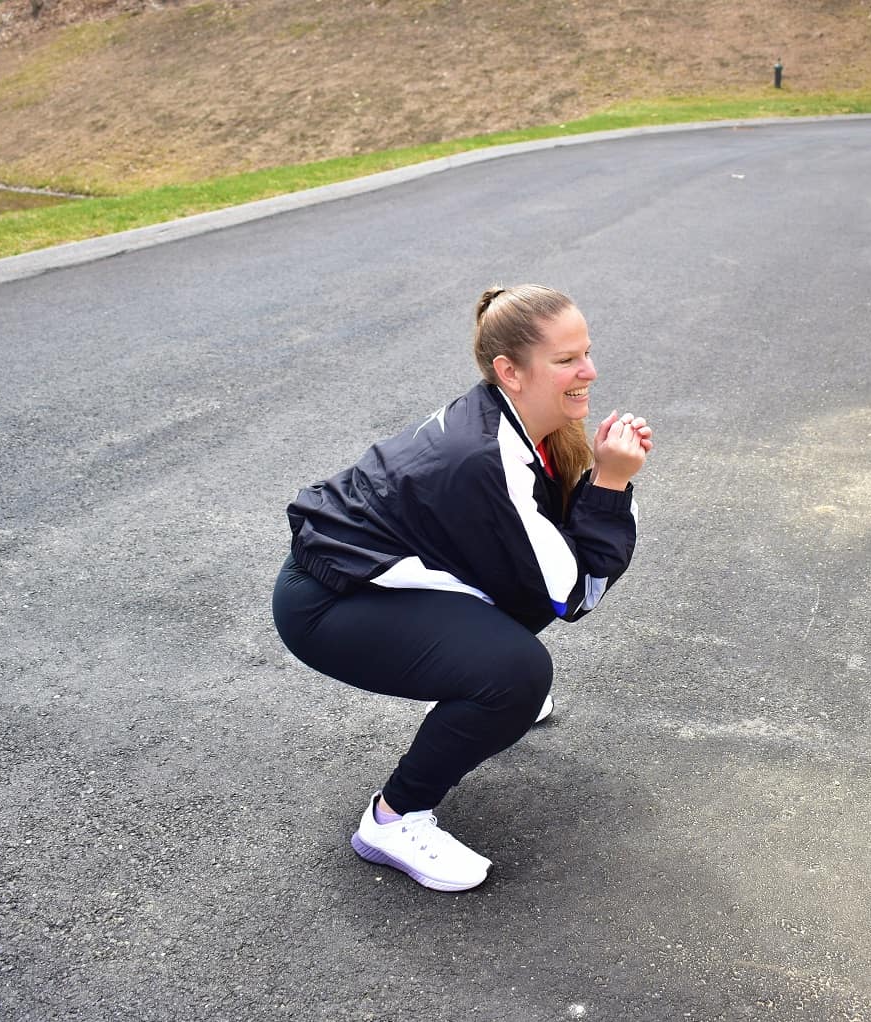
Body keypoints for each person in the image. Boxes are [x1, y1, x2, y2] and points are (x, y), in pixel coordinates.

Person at [271, 284, 653, 892]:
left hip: (368, 578)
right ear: (510, 371)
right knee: (516, 674)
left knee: (520, 600)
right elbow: (577, 593)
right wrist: (610, 483)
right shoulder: (486, 457)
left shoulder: (520, 423)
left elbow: (543, 571)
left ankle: (463, 690)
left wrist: (603, 479)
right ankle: (393, 821)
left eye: (586, 352)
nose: (590, 370)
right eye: (566, 360)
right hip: (329, 602)